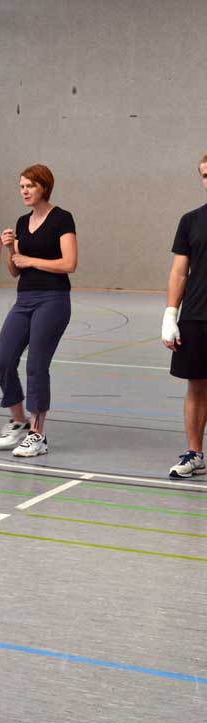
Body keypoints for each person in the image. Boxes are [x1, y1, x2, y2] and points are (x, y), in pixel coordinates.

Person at [0, 164, 77, 457]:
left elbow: (69, 264)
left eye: (30, 186)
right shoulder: (21, 222)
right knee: (3, 360)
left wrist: (31, 261)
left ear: (44, 187)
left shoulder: (62, 218)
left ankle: (38, 436)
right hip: (24, 299)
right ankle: (19, 420)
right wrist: (10, 250)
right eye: (21, 186)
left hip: (53, 299)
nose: (24, 191)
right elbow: (15, 270)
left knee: (36, 365)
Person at [161, 153, 207, 479]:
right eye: (205, 175)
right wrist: (170, 314)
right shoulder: (190, 221)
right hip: (196, 315)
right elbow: (179, 272)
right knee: (197, 386)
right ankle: (195, 453)